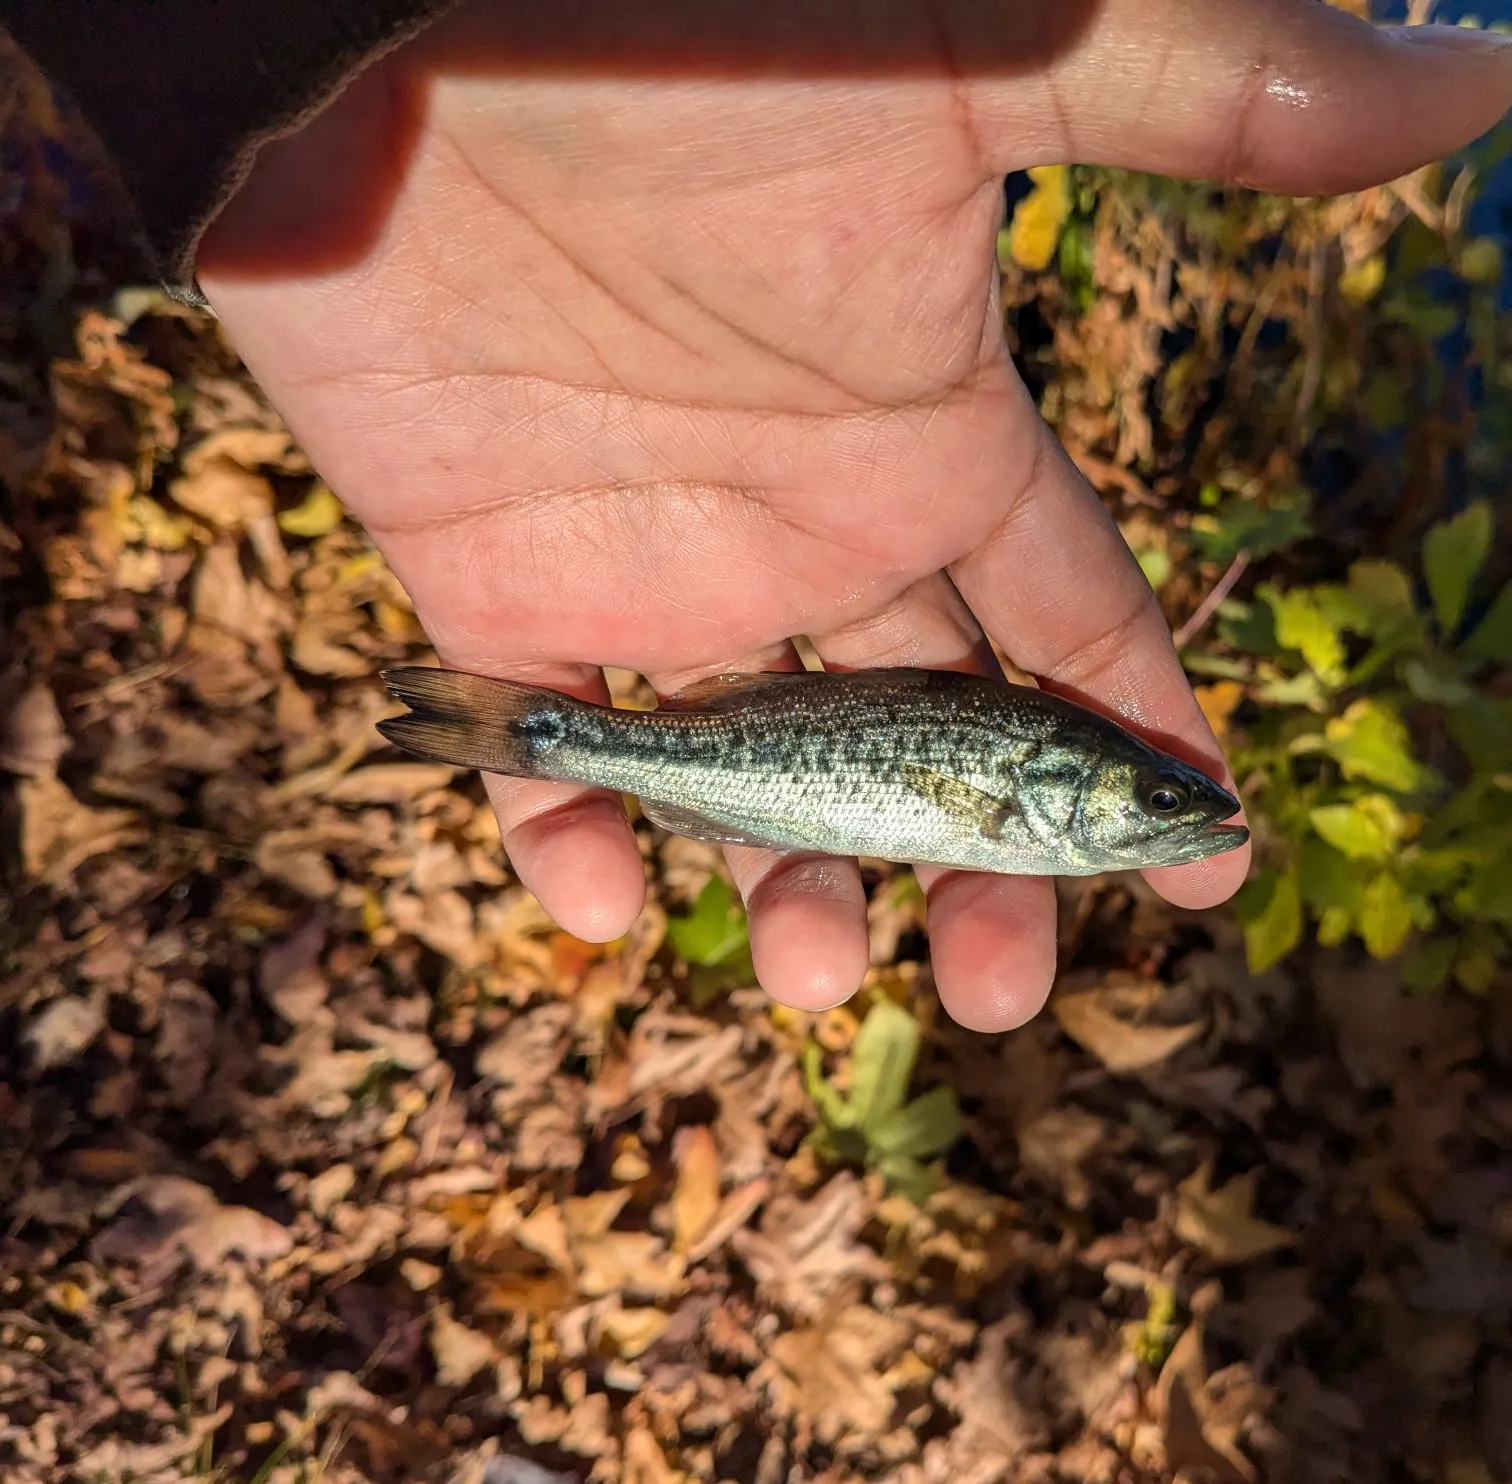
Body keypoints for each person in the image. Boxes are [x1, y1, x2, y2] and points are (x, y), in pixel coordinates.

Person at [4, 0, 1509, 1030]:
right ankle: (527, 733)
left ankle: (530, 732)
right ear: (1059, 794)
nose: (1160, 813)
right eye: (1139, 806)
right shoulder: (1038, 789)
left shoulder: (1040, 786)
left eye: (1150, 807)